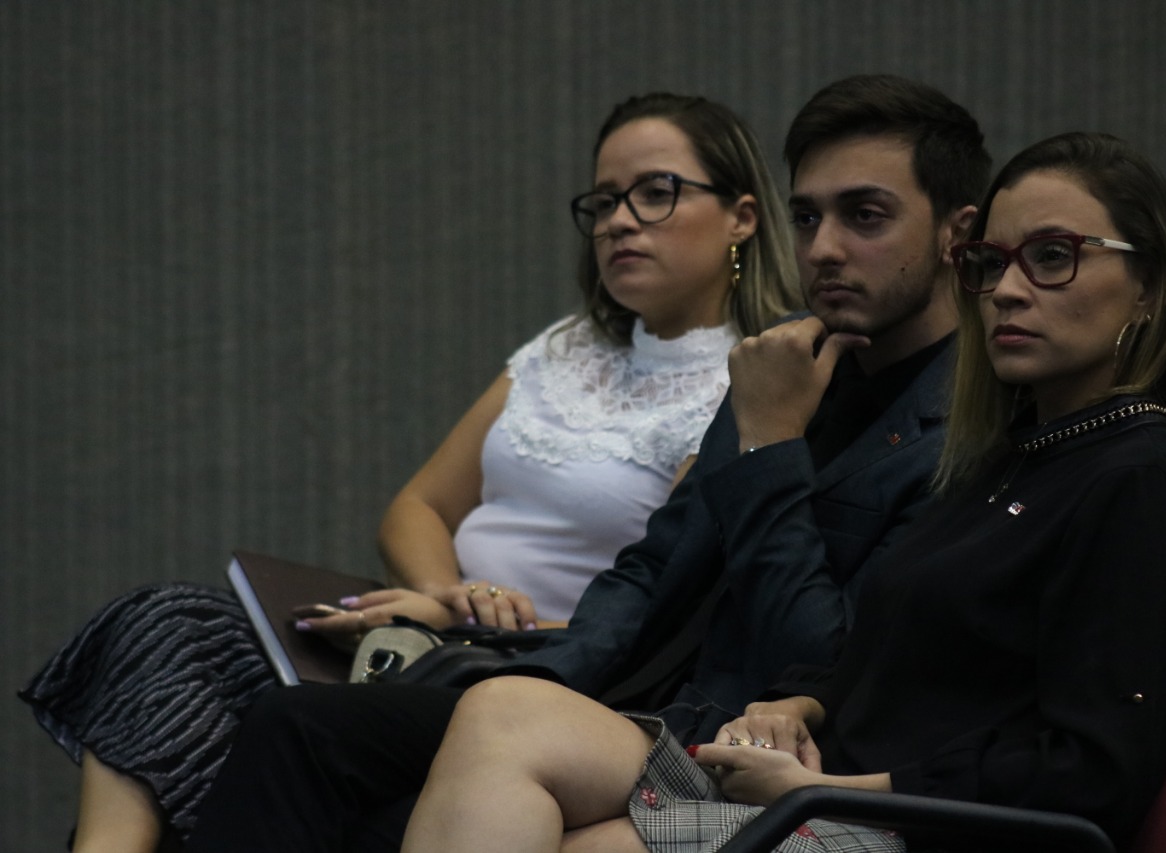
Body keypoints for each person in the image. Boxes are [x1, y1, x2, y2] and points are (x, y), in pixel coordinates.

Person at [183, 74, 992, 852]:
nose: (824, 247)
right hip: (620, 702)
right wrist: (523, 683)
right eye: (808, 217)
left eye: (865, 216)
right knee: (297, 723)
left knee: (365, 790)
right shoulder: (787, 358)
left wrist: (770, 444)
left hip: (746, 746)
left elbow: (821, 656)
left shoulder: (965, 427)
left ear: (956, 234)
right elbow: (650, 568)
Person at [401, 131, 1166, 853]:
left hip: (910, 824)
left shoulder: (1143, 483)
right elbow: (893, 661)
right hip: (822, 782)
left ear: (1151, 284)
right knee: (502, 709)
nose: (1008, 290)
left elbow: (1093, 773)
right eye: (992, 263)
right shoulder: (1007, 457)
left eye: (1053, 256)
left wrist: (847, 789)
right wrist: (800, 705)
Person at [19, 91, 801, 853]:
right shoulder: (564, 348)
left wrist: (479, 625)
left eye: (656, 193)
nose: (620, 220)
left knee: (289, 728)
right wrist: (443, 594)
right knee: (165, 623)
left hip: (554, 672)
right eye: (603, 201)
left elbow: (659, 612)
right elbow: (418, 506)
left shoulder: (749, 385)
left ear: (741, 215)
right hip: (437, 638)